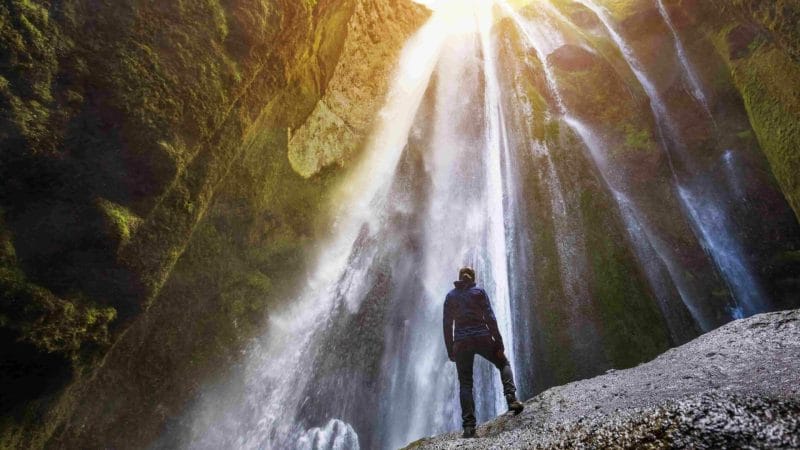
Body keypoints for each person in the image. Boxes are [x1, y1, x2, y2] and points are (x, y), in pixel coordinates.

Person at [443, 267, 524, 438]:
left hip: (461, 342)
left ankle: (469, 427)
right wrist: (499, 344)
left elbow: (447, 325)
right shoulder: (479, 292)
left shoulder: (451, 296)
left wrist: (451, 349)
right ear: (472, 278)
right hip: (482, 337)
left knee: (465, 383)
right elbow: (490, 317)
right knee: (503, 363)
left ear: (459, 279)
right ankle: (511, 399)